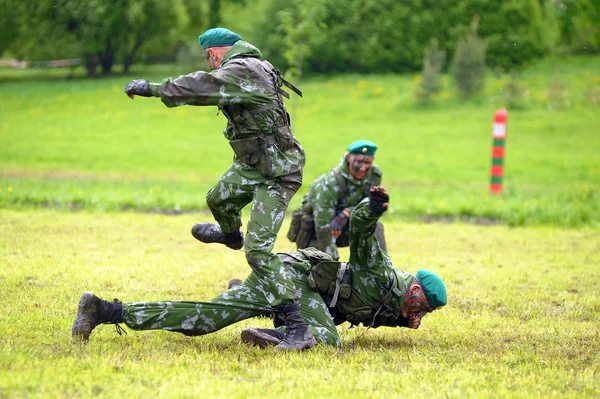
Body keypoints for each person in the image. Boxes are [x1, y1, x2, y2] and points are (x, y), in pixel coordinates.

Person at [122, 28, 313, 349]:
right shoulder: (250, 65)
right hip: (253, 165)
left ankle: (298, 328)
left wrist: (153, 89)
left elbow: (201, 86)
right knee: (218, 199)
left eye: (207, 58)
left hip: (278, 174)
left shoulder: (242, 70)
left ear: (213, 54)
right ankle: (230, 234)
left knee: (258, 253)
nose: (209, 64)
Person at [72, 187, 447, 348]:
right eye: (422, 307)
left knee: (205, 321)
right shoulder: (382, 275)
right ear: (413, 290)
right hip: (294, 279)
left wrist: (404, 319)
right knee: (326, 340)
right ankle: (281, 330)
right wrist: (372, 208)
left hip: (294, 285)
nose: (418, 316)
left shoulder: (393, 302)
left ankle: (103, 310)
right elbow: (363, 233)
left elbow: (377, 312)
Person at [288, 140, 385, 260]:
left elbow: (368, 206)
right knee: (318, 267)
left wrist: (346, 213)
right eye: (359, 162)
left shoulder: (374, 176)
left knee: (375, 226)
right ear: (349, 158)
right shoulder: (330, 182)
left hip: (344, 226)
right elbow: (323, 225)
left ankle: (381, 270)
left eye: (368, 163)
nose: (363, 168)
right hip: (316, 229)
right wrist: (332, 268)